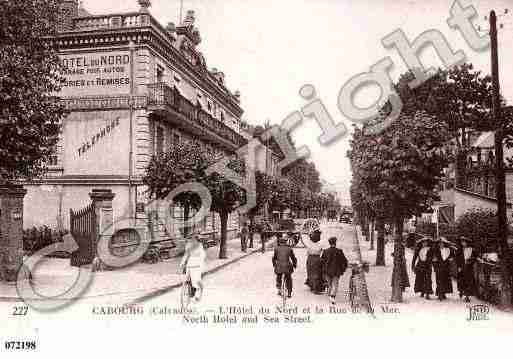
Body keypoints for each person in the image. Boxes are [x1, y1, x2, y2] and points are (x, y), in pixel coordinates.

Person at [321, 237, 348, 305]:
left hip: (327, 271)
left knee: (329, 284)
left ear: (329, 243)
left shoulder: (325, 251)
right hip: (336, 271)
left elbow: (322, 261)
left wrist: (323, 269)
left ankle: (330, 294)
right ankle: (332, 296)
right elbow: (344, 261)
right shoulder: (339, 251)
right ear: (335, 243)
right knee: (335, 284)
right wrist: (343, 270)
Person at [180, 233, 207, 301]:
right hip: (190, 263)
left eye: (193, 239)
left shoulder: (199, 246)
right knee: (188, 278)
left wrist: (200, 262)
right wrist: (182, 262)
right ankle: (190, 290)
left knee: (196, 279)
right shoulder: (189, 246)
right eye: (191, 240)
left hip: (198, 264)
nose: (191, 241)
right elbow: (186, 255)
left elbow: (203, 255)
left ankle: (199, 292)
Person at [456, 236, 477, 302]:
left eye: (464, 242)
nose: (463, 243)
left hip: (469, 267)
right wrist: (459, 267)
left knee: (468, 281)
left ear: (467, 243)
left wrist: (470, 260)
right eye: (462, 242)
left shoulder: (471, 249)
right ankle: (461, 291)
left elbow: (475, 257)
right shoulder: (459, 250)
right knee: (461, 281)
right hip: (462, 267)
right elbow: (457, 259)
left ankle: (467, 296)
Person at [304, 229, 324, 294]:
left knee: (310, 272)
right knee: (317, 273)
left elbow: (307, 251)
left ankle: (311, 285)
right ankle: (316, 288)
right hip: (317, 258)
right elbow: (322, 251)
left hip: (310, 258)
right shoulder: (320, 243)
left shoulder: (309, 243)